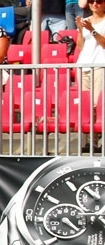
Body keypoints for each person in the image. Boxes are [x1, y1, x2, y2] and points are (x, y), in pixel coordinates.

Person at [76, 0, 105, 153]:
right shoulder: (85, 21)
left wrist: (92, 30)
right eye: (92, 1)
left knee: (97, 104)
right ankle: (91, 141)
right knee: (86, 105)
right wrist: (81, 30)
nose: (95, 4)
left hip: (100, 65)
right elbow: (80, 46)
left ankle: (99, 139)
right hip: (84, 65)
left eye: (98, 1)